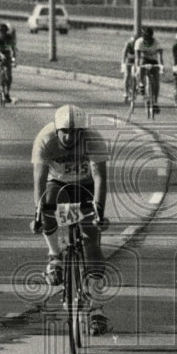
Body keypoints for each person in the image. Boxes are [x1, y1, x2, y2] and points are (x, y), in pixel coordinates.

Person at [31, 105, 111, 335]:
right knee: (47, 204)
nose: (69, 136)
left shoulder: (93, 140)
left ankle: (96, 308)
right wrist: (38, 213)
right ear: (56, 130)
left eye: (75, 132)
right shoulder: (45, 139)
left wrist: (99, 213)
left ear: (83, 132)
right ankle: (54, 256)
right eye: (64, 131)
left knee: (91, 242)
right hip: (59, 185)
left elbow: (100, 178)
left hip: (85, 187)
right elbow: (39, 180)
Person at [134, 27, 165, 113]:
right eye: (145, 39)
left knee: (156, 81)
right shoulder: (139, 42)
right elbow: (137, 58)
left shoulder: (157, 42)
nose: (147, 41)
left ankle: (155, 102)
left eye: (149, 39)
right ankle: (141, 84)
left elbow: (160, 57)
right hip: (144, 59)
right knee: (141, 67)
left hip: (154, 61)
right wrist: (137, 68)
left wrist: (161, 66)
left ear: (152, 38)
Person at [0, 23, 17, 101]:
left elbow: (13, 49)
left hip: (7, 55)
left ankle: (7, 93)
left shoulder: (9, 38)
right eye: (0, 32)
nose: (2, 34)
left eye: (3, 32)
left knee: (9, 76)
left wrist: (13, 60)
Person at [121, 28, 143, 103]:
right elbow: (124, 53)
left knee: (136, 75)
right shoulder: (129, 42)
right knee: (127, 76)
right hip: (129, 60)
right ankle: (125, 93)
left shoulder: (142, 43)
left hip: (136, 60)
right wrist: (123, 63)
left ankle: (136, 88)